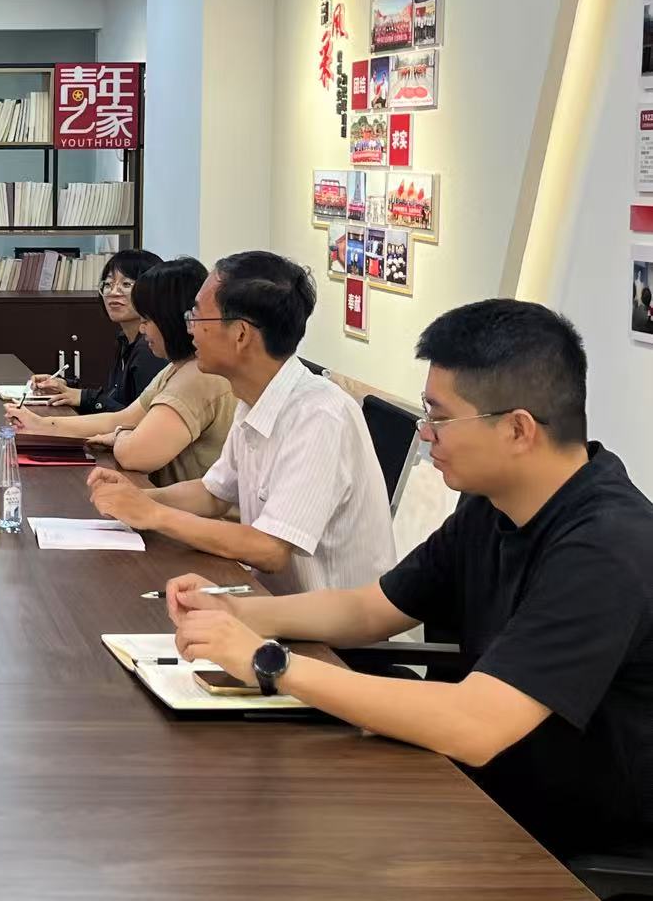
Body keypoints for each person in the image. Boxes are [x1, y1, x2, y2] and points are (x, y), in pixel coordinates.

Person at [164, 300, 653, 861]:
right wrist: (237, 612)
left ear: (518, 429)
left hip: (561, 838)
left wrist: (270, 663)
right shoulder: (493, 505)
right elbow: (372, 608)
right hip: (477, 788)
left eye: (440, 418)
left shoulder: (607, 547)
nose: (424, 434)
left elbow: (476, 725)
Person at [87, 250, 394, 592]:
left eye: (197, 316)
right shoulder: (252, 398)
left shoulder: (319, 415)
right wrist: (138, 498)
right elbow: (213, 494)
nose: (189, 329)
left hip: (329, 621)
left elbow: (270, 549)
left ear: (241, 334)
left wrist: (154, 514)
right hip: (270, 600)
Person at [5, 258, 234, 487]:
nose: (142, 328)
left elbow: (137, 455)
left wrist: (119, 436)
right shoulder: (176, 368)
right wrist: (40, 424)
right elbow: (122, 418)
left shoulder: (198, 377)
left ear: (169, 321)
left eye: (147, 320)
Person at [27, 248, 165, 413]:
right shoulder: (125, 339)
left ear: (151, 290)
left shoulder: (150, 348)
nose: (113, 292)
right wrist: (65, 386)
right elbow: (114, 397)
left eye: (126, 284)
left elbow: (139, 417)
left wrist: (83, 397)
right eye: (108, 284)